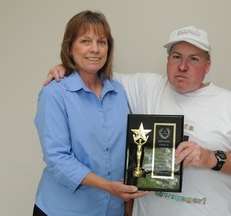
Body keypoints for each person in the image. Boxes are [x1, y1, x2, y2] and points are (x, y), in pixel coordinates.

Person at [44, 26, 231, 216]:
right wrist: (66, 67)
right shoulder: (145, 87)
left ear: (207, 66)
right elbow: (92, 70)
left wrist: (212, 158)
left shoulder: (230, 104)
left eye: (194, 59)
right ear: (168, 59)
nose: (183, 66)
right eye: (176, 57)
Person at [33, 10, 148, 216]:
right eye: (85, 41)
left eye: (101, 42)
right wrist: (107, 186)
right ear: (69, 48)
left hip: (112, 210)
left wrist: (127, 205)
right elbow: (58, 158)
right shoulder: (54, 93)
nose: (95, 49)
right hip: (63, 210)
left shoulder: (120, 91)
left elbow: (131, 149)